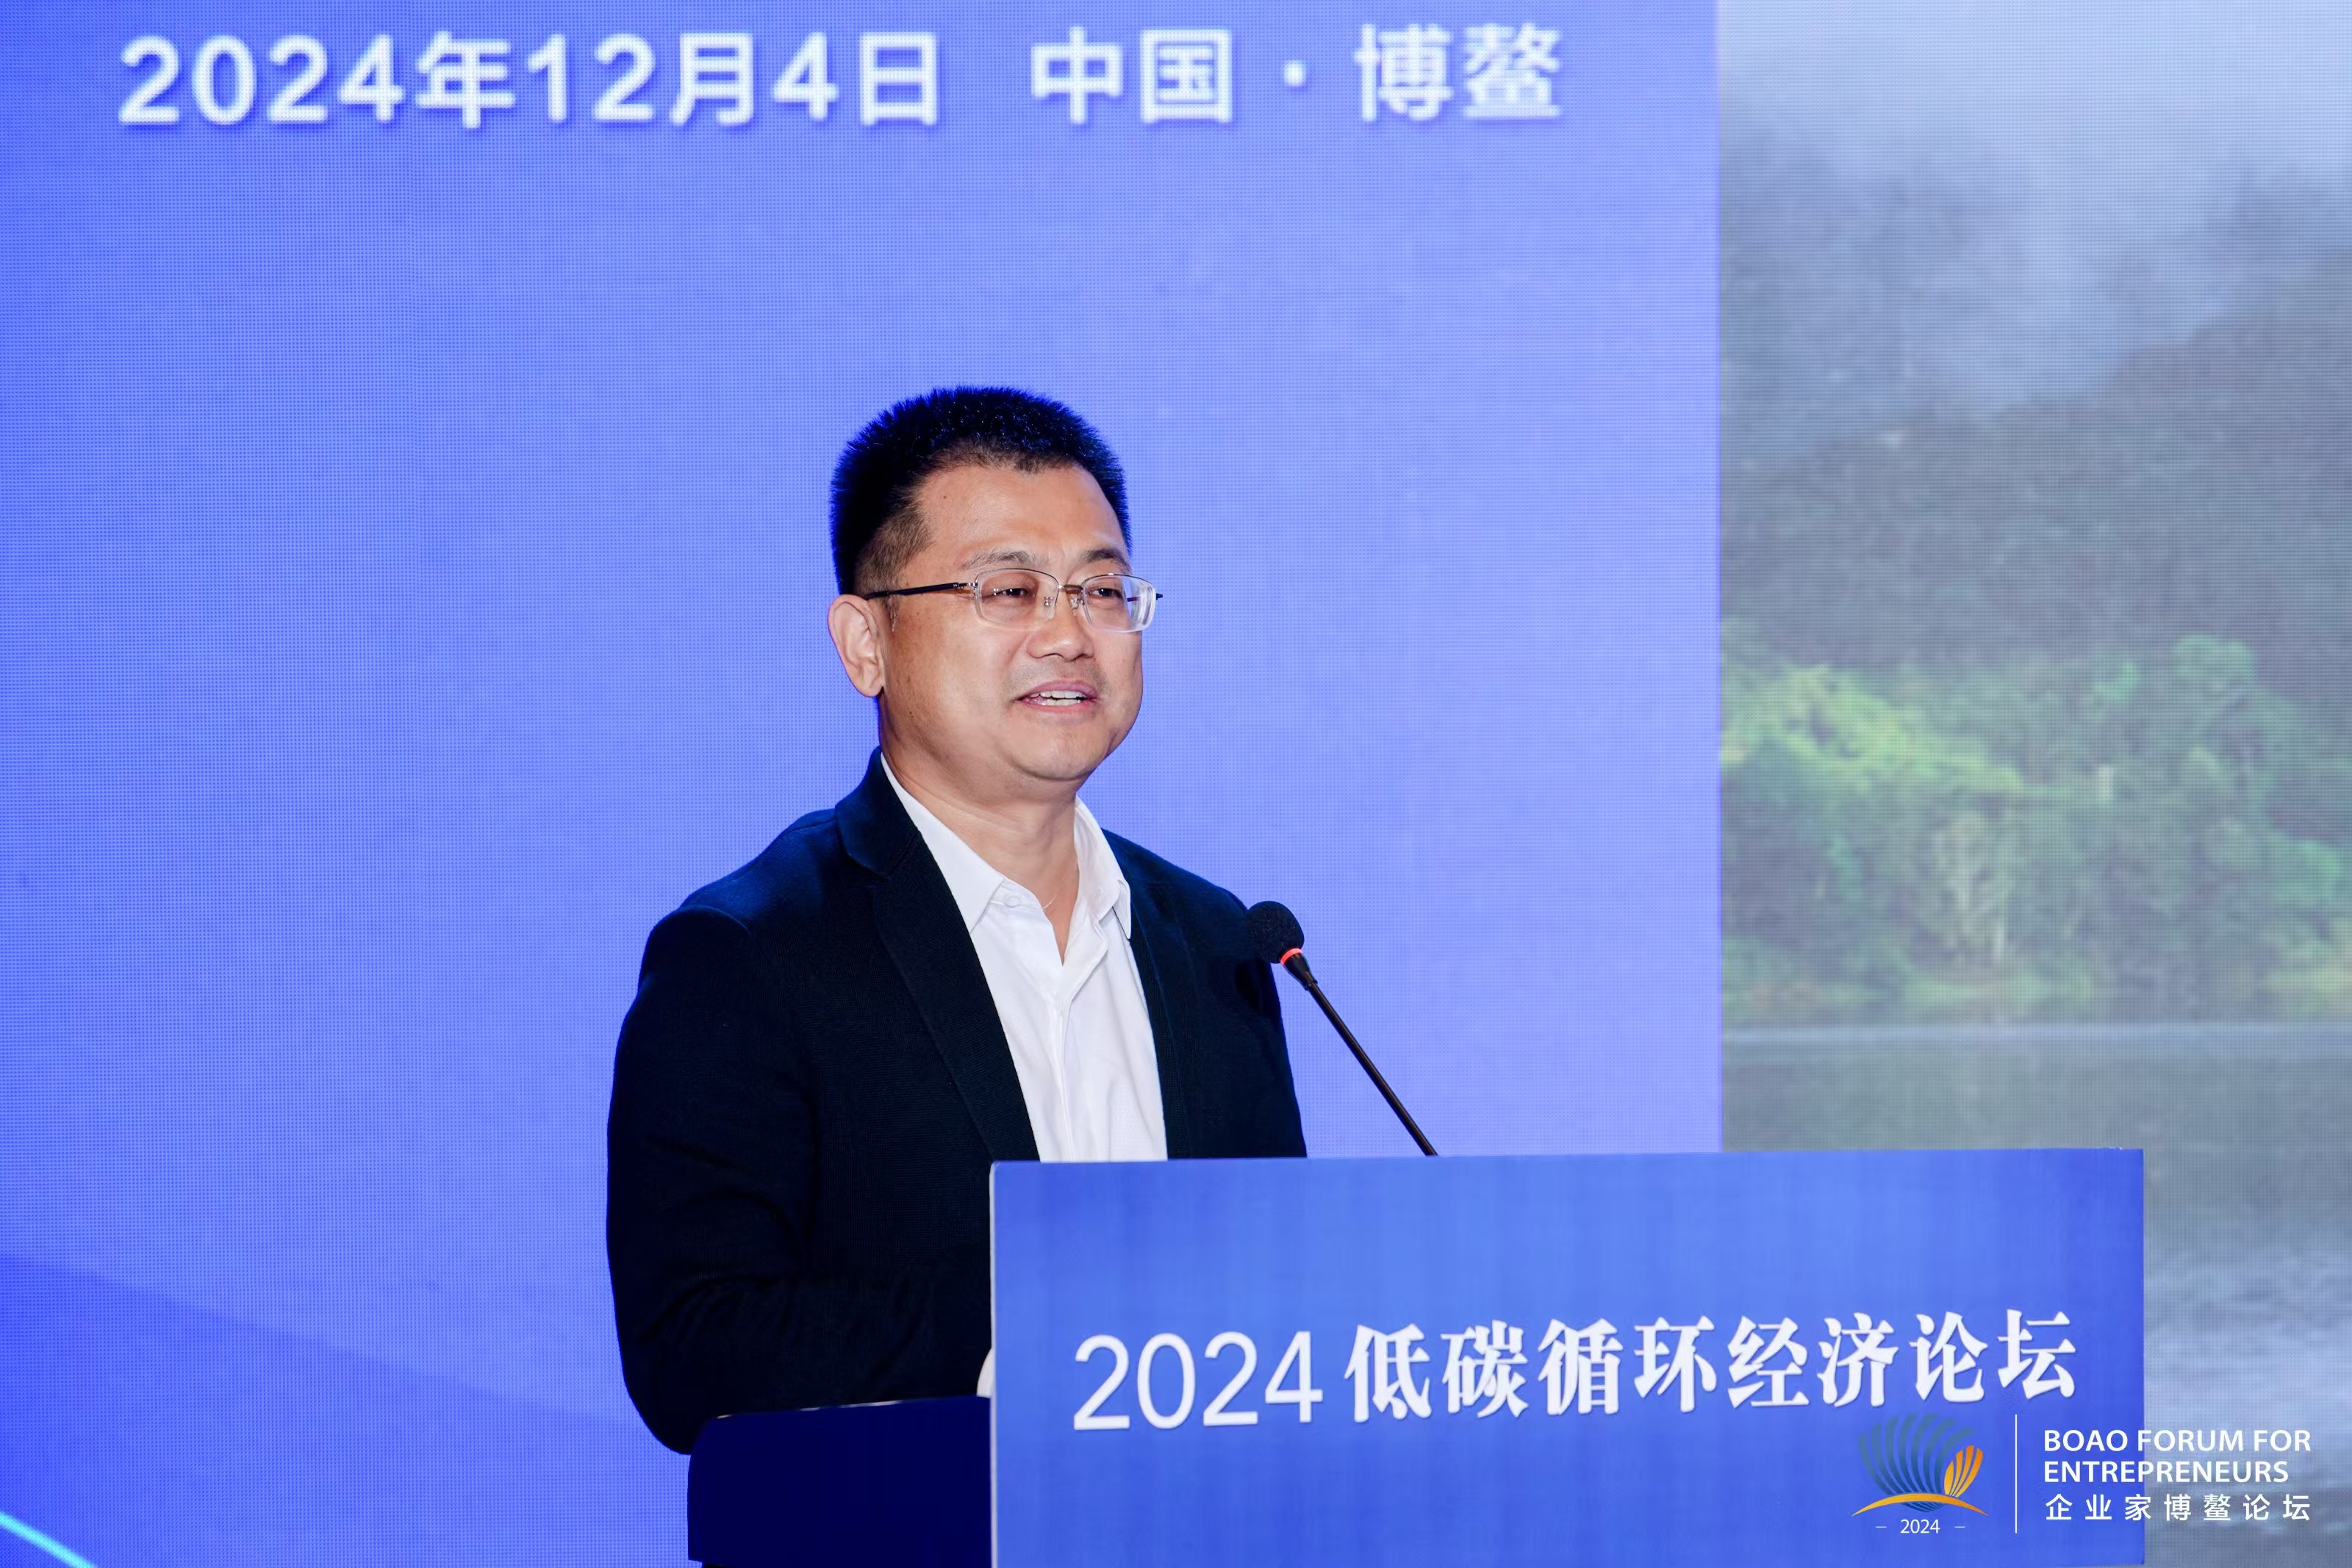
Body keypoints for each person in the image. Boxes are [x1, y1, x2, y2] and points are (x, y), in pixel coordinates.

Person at [606, 387, 1308, 1452]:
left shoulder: (1219, 942)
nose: (1068, 634)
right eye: (1009, 590)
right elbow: (696, 1347)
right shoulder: (751, 955)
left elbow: (1282, 1298)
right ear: (866, 643)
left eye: (1102, 590)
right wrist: (1057, 1308)